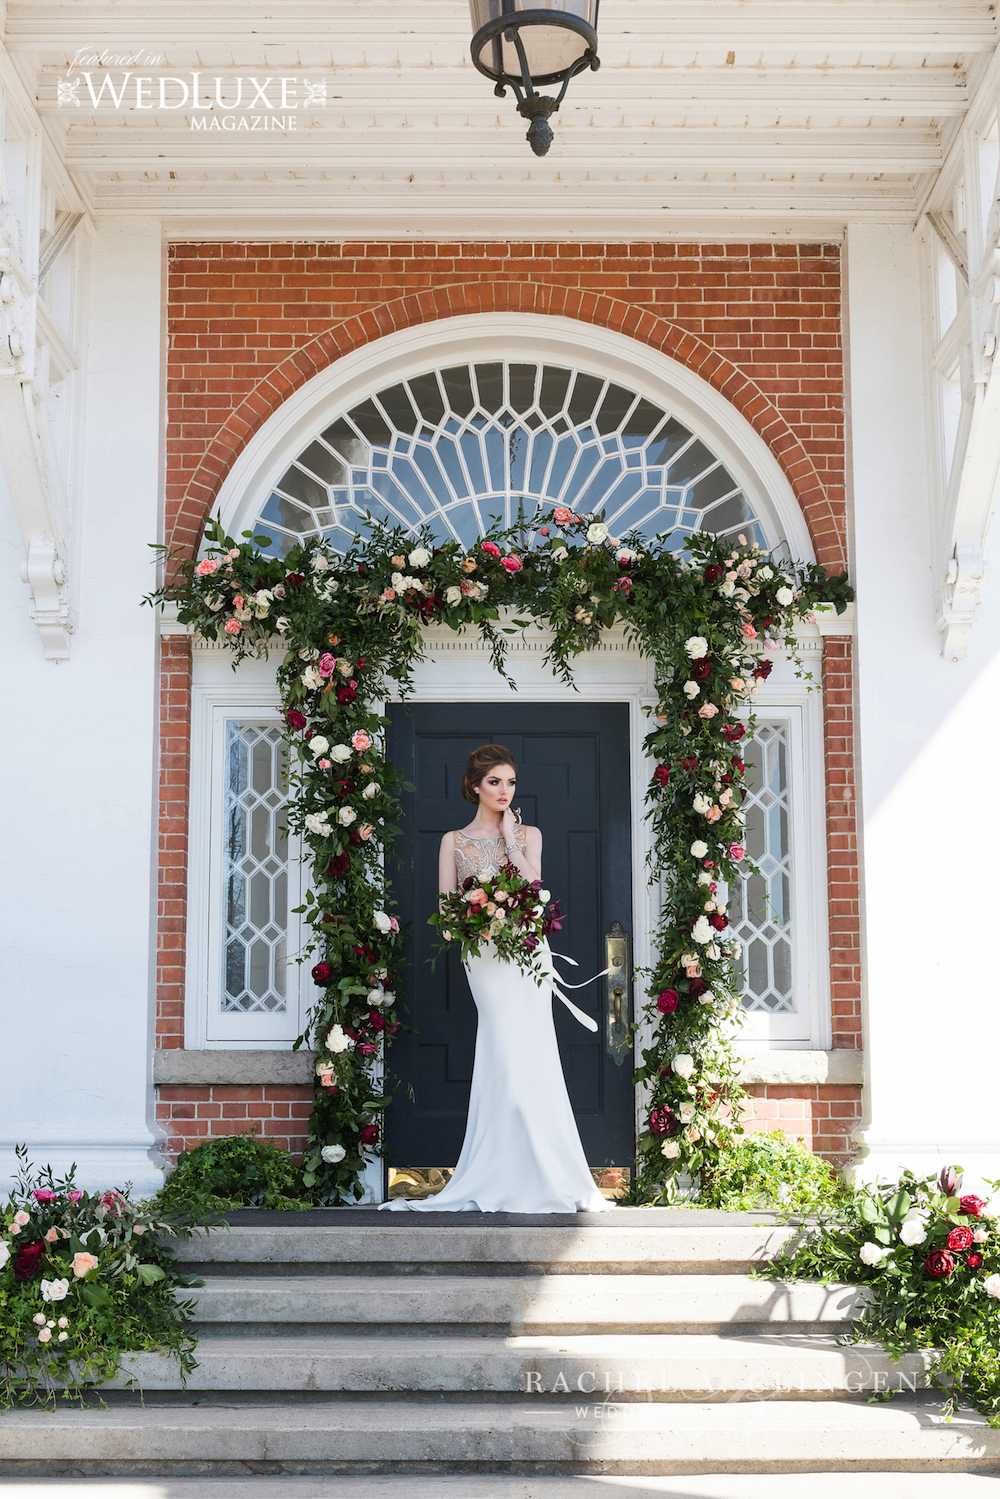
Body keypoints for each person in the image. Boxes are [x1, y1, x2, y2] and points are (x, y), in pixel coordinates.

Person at [380, 742, 613, 1214]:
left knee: (534, 1050)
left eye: (510, 782)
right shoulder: (453, 841)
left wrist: (510, 841)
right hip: (483, 956)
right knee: (500, 1050)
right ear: (474, 786)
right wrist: (477, 918)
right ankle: (498, 1166)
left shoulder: (530, 835)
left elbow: (536, 890)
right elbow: (446, 909)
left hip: (526, 955)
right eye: (494, 782)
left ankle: (543, 1168)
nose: (504, 790)